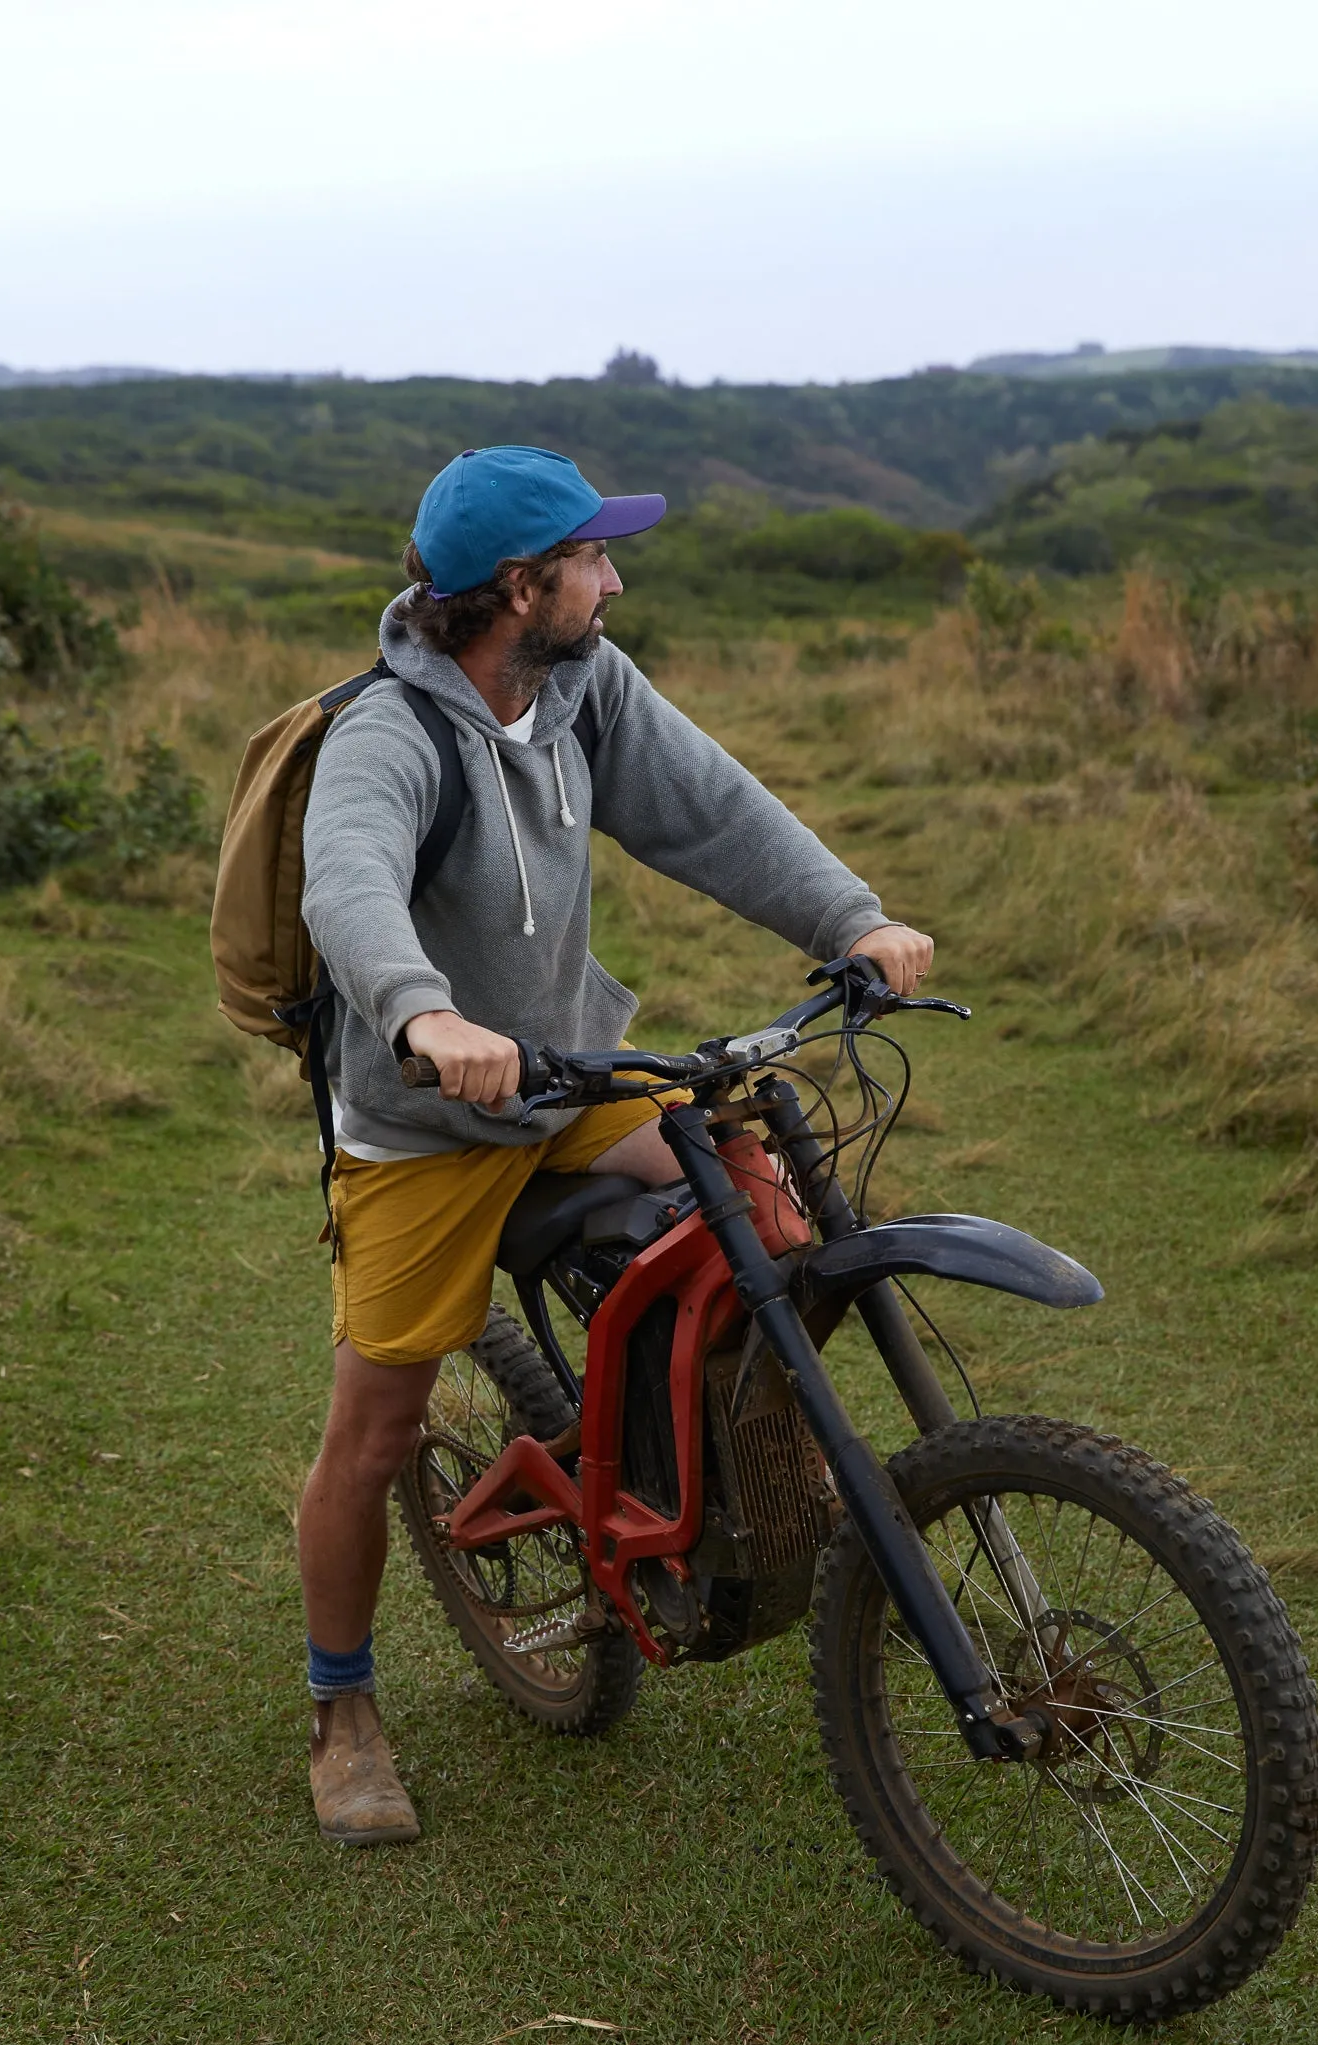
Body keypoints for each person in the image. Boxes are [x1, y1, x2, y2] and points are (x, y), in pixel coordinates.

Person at [297, 444, 933, 1844]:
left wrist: (851, 915)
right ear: (519, 585)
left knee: (763, 1219)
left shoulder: (585, 684)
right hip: (425, 1117)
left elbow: (714, 810)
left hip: (575, 1070)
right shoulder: (386, 736)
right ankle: (341, 1712)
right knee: (377, 1426)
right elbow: (347, 886)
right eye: (593, 557)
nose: (616, 576)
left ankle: (704, 1473)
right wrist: (419, 1017)